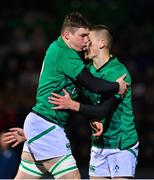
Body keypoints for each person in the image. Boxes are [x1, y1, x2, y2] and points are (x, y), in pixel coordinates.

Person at [3, 12, 128, 179]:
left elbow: (83, 93)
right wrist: (117, 86)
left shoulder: (60, 50)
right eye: (83, 36)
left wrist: (31, 133)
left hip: (41, 125)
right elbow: (94, 85)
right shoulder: (64, 53)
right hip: (46, 126)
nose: (86, 40)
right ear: (67, 35)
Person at [47, 25, 139, 179]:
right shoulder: (86, 73)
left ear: (101, 43)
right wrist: (31, 133)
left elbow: (103, 110)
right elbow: (65, 102)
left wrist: (73, 105)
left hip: (121, 145)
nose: (84, 44)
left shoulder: (118, 73)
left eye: (88, 40)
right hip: (98, 145)